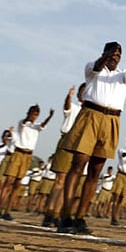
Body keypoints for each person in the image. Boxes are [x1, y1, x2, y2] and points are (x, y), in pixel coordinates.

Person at [58, 43, 126, 235]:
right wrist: (106, 57)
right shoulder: (92, 68)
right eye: (113, 52)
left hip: (112, 119)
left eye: (119, 53)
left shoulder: (122, 76)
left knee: (95, 170)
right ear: (104, 53)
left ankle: (80, 217)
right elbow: (96, 67)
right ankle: (65, 215)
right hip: (90, 115)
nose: (116, 56)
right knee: (78, 165)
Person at [0, 105, 54, 220]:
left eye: (36, 114)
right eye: (33, 113)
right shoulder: (23, 123)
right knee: (9, 182)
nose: (34, 116)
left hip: (28, 156)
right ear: (28, 113)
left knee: (17, 184)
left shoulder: (37, 126)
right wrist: (29, 116)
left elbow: (43, 125)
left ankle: (7, 210)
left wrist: (49, 116)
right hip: (18, 153)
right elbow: (25, 122)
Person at [43, 84, 85, 227]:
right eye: (82, 92)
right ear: (79, 94)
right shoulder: (74, 107)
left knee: (68, 181)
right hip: (67, 140)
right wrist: (69, 96)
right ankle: (49, 213)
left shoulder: (89, 112)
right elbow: (67, 107)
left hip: (79, 145)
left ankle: (57, 214)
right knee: (60, 180)